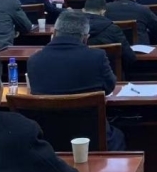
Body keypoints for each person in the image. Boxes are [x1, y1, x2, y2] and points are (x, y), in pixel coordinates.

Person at [26, 12, 126, 151]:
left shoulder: (34, 60)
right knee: (120, 134)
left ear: (54, 33)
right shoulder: (97, 57)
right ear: (85, 38)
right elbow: (109, 87)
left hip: (48, 140)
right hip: (92, 138)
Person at [82, 0, 137, 72]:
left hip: (80, 74)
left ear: (83, 10)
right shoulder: (113, 29)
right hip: (110, 74)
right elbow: (130, 56)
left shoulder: (74, 28)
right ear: (103, 12)